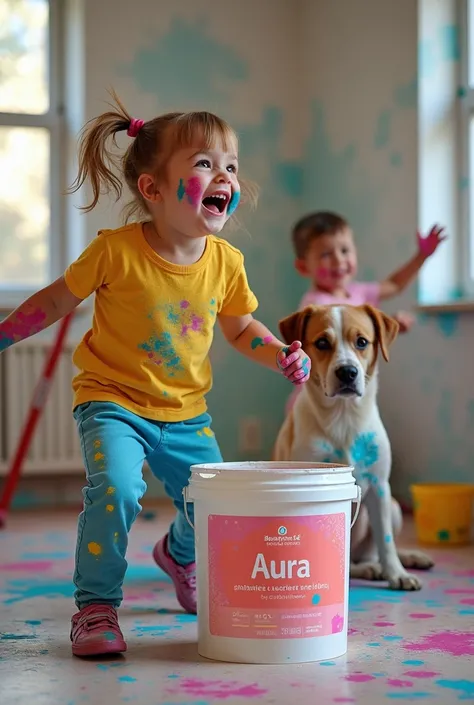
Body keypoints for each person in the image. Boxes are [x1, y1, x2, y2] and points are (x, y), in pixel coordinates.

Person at [0, 94, 311, 657]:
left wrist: (280, 354)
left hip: (186, 411)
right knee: (116, 488)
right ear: (152, 189)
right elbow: (52, 302)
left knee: (213, 505)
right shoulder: (114, 252)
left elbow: (242, 330)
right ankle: (96, 607)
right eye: (204, 163)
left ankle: (179, 554)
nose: (224, 175)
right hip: (111, 400)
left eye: (231, 166)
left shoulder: (226, 262)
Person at [285, 210, 445, 413]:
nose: (338, 260)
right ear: (303, 266)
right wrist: (387, 322)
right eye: (326, 254)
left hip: (348, 399)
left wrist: (421, 256)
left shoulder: (357, 292)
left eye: (345, 250)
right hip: (314, 407)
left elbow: (394, 285)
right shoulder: (315, 307)